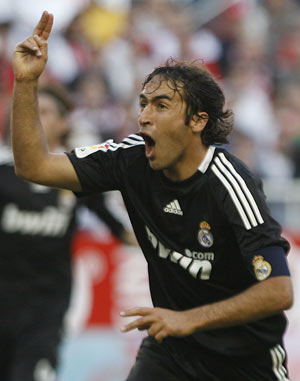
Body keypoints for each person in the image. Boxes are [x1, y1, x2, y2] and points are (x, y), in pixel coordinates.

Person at [10, 11, 293, 381]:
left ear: (197, 121)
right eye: (143, 103)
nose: (144, 116)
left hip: (245, 360)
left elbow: (278, 291)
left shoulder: (230, 181)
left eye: (161, 106)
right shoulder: (129, 159)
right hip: (172, 352)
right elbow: (35, 167)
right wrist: (26, 82)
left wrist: (188, 319)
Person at [0, 80, 135, 381]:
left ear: (63, 123)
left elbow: (123, 230)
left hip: (44, 316)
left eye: (44, 112)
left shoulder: (77, 174)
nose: (33, 118)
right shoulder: (3, 173)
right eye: (29, 111)